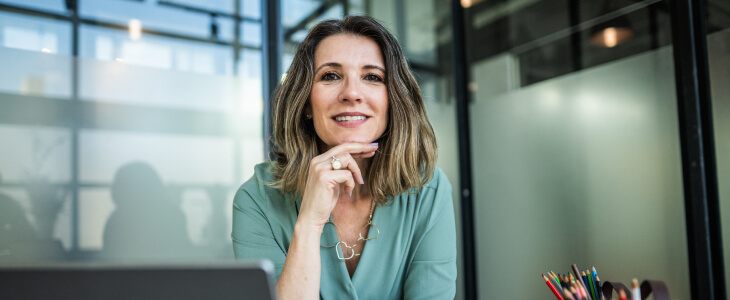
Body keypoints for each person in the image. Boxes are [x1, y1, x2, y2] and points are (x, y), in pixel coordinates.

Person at [232, 16, 456, 299]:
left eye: (372, 77)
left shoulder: (428, 189)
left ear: (393, 100)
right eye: (330, 76)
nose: (351, 93)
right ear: (306, 104)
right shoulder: (257, 198)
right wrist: (310, 222)